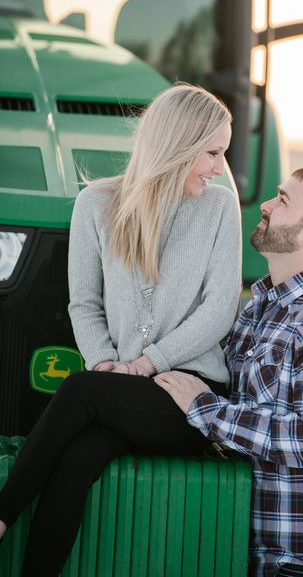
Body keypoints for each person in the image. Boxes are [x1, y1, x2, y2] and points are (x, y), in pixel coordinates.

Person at [0, 83, 242, 576]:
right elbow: (83, 304)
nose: (220, 167)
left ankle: (1, 517)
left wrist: (145, 364)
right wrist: (104, 362)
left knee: (80, 393)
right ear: (177, 145)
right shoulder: (96, 204)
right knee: (74, 465)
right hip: (120, 389)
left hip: (186, 398)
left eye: (224, 153)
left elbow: (220, 311)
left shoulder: (220, 208)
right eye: (212, 153)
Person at [156, 167, 303, 577]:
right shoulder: (262, 306)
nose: (264, 205)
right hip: (265, 557)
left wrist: (205, 409)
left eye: (282, 200)